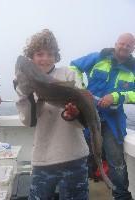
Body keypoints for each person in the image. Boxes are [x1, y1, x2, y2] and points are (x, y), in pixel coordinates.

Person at [14, 29, 89, 200]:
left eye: (50, 54)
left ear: (56, 56)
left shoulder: (68, 75)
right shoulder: (25, 81)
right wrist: (27, 93)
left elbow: (83, 118)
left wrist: (74, 114)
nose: (45, 58)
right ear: (31, 57)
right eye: (40, 54)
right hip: (44, 158)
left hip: (74, 156)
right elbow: (29, 121)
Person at [70, 33, 135, 200]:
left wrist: (117, 97)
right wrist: (81, 88)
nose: (124, 47)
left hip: (112, 121)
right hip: (87, 115)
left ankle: (121, 196)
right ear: (116, 44)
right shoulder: (98, 57)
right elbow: (74, 66)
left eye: (129, 45)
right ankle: (78, 193)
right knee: (81, 156)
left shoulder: (133, 69)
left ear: (133, 48)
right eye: (122, 43)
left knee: (116, 162)